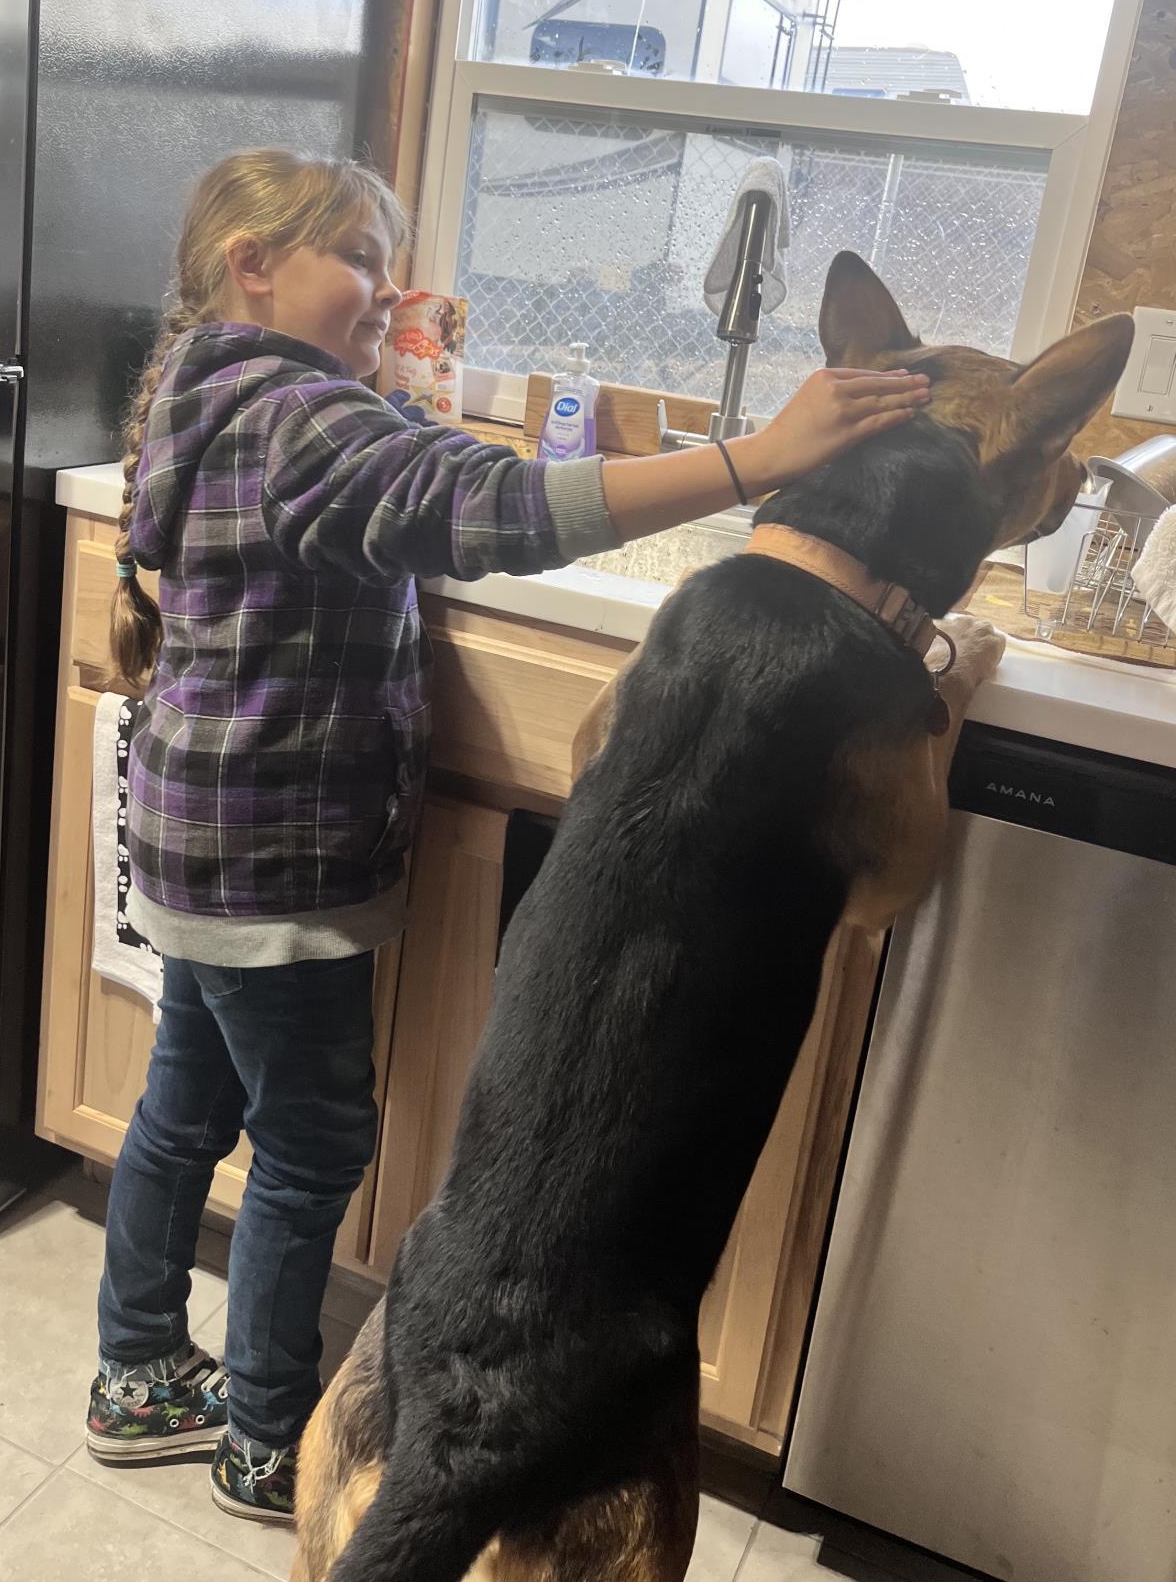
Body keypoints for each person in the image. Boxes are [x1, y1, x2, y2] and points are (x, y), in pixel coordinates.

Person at [84, 146, 931, 1522]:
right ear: (254, 265)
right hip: (277, 867)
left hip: (188, 835)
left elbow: (351, 496)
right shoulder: (308, 421)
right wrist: (756, 460)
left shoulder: (206, 384)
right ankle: (258, 1428)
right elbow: (497, 507)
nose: (388, 285)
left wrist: (386, 377)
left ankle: (134, 1373)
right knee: (309, 1138)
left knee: (184, 1101)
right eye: (358, 257)